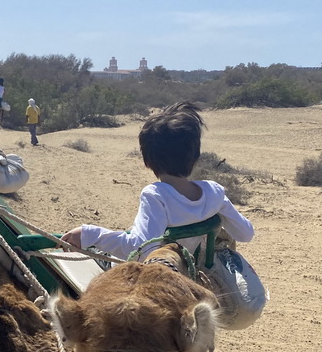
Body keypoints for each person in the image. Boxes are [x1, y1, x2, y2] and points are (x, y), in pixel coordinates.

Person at [61, 102, 253, 260]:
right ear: (195, 155)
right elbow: (246, 233)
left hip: (168, 274)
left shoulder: (157, 195)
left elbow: (141, 250)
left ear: (148, 160)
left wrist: (90, 234)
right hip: (200, 270)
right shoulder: (214, 192)